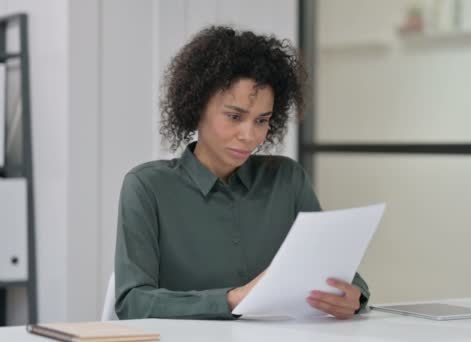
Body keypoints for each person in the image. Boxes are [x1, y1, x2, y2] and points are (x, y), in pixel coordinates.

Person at [114, 26, 369, 320]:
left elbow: (341, 273)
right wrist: (233, 299)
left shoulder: (287, 179)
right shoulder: (148, 187)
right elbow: (132, 302)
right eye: (234, 117)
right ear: (197, 108)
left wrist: (354, 296)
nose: (250, 135)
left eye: (262, 120)